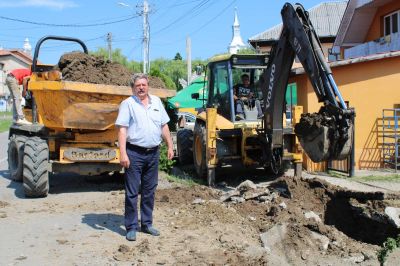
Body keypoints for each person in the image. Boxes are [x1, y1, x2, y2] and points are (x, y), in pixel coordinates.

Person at [115, 73, 174, 241]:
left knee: (149, 190)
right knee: (132, 192)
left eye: (144, 84)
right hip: (134, 153)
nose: (141, 87)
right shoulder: (127, 104)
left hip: (153, 153)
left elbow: (164, 125)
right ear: (133, 88)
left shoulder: (156, 102)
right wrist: (123, 153)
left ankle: (147, 224)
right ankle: (131, 227)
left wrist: (170, 145)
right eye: (138, 85)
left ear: (148, 86)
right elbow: (122, 130)